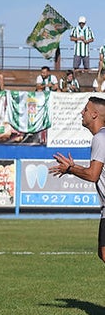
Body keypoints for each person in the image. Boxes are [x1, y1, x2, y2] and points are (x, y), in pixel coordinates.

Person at [49, 97, 105, 263]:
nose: (82, 113)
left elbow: (92, 175)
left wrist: (70, 169)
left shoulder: (100, 139)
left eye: (85, 110)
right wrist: (72, 169)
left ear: (95, 114)